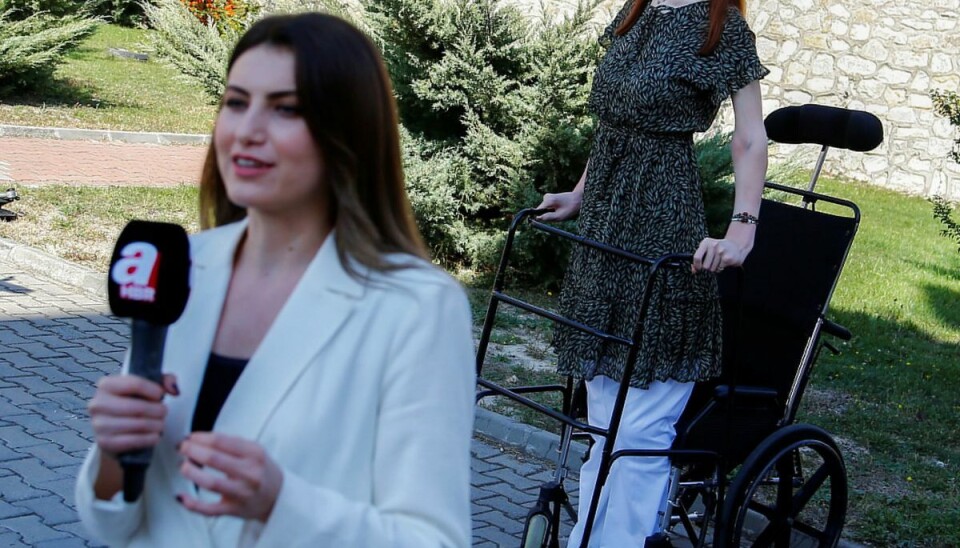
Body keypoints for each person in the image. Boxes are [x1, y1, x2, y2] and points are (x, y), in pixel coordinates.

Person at [75, 13, 475, 547]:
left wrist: (279, 503)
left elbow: (435, 540)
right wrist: (112, 451)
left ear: (347, 132)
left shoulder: (417, 307)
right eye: (236, 103)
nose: (247, 131)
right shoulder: (178, 265)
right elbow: (112, 523)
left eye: (285, 109)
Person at [536, 0, 768, 544]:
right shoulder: (635, 12)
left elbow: (750, 138)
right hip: (604, 233)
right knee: (603, 430)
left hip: (664, 221)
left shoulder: (722, 28)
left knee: (639, 434)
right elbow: (615, 124)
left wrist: (742, 229)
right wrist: (579, 194)